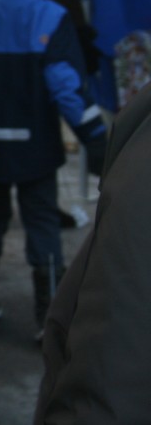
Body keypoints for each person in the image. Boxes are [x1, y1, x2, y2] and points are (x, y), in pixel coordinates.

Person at [0, 0, 107, 340]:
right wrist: (97, 141)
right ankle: (49, 316)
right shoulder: (50, 17)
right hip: (37, 149)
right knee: (43, 224)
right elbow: (67, 87)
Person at [34, 83, 151, 424]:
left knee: (15, 220)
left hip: (6, 136)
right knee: (40, 222)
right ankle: (36, 299)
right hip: (37, 142)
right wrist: (92, 135)